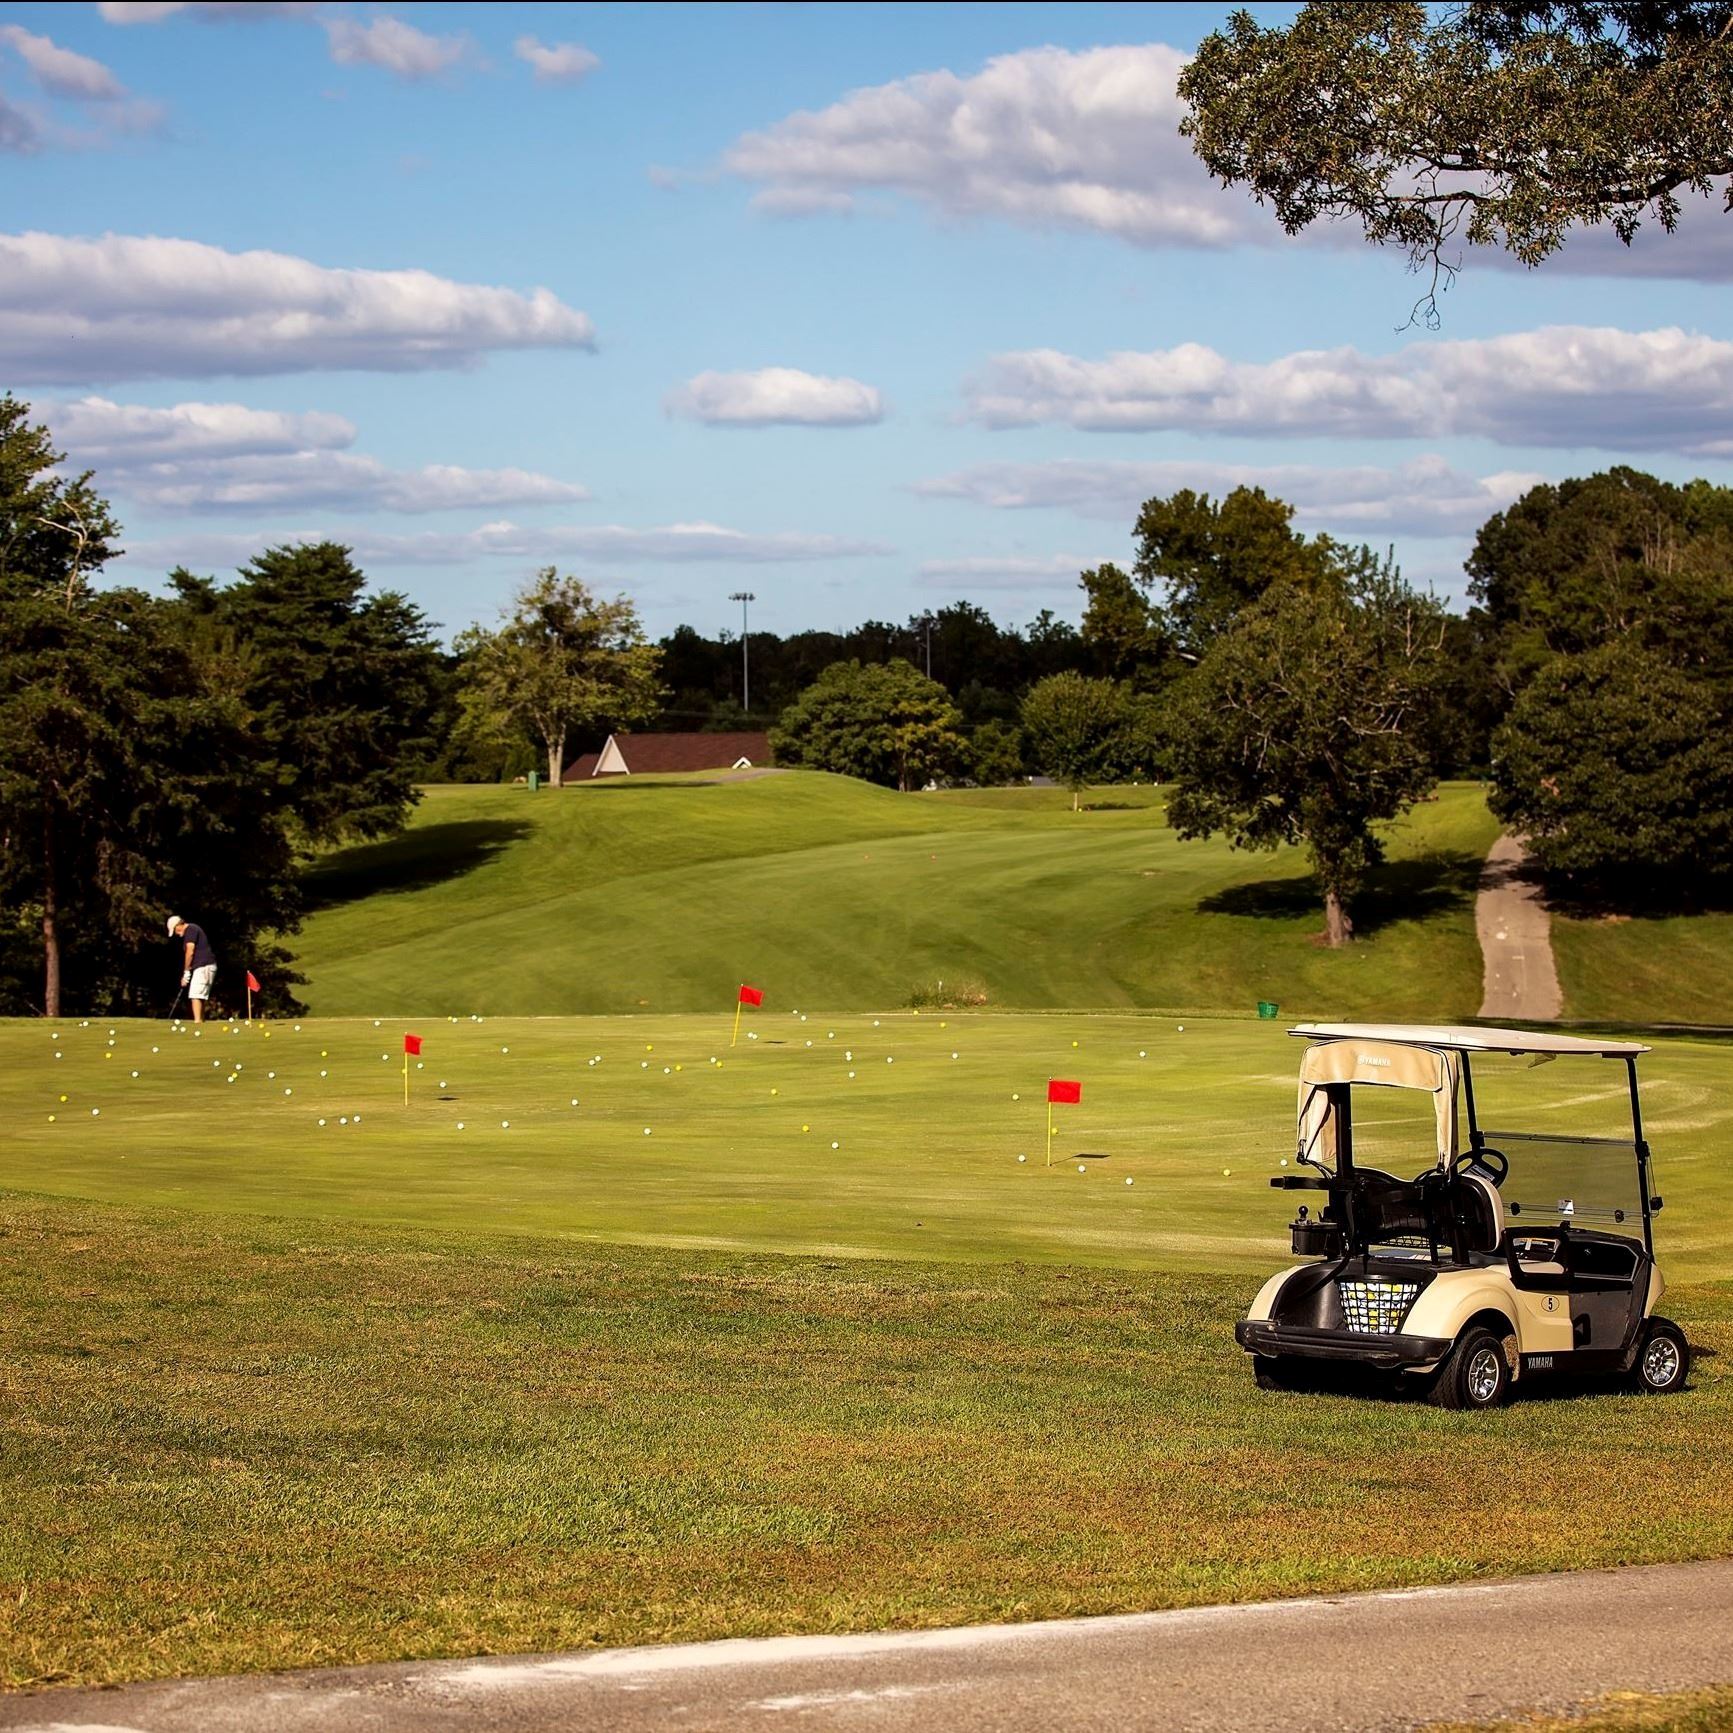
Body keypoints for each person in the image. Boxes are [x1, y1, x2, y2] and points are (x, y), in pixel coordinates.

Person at [167, 914, 217, 1023]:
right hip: (206, 966)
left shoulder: (190, 929)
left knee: (195, 994)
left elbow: (190, 951)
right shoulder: (192, 929)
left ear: (178, 925)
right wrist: (188, 971)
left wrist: (186, 972)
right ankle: (200, 1021)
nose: (176, 933)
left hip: (204, 966)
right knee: (200, 995)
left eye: (175, 930)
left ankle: (197, 1022)